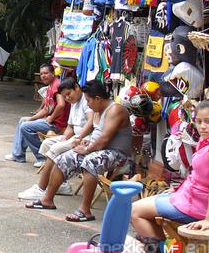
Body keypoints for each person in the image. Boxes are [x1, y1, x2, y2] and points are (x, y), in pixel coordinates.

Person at [130, 100, 209, 253]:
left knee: (135, 211)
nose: (202, 126)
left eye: (208, 121)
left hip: (198, 206)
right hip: (190, 198)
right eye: (199, 121)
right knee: (140, 209)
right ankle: (167, 252)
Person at [25, 79, 132, 222]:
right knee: (63, 158)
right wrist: (84, 142)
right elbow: (97, 136)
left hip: (118, 154)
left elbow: (105, 139)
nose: (87, 104)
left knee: (89, 162)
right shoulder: (97, 110)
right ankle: (47, 200)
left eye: (88, 100)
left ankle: (85, 210)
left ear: (98, 98)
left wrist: (87, 149)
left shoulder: (115, 109)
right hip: (99, 149)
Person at [18, 78, 93, 200]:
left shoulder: (87, 100)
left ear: (77, 87)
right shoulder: (74, 103)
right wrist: (64, 138)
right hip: (74, 136)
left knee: (55, 148)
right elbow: (70, 126)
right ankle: (62, 184)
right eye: (65, 96)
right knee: (48, 143)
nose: (67, 98)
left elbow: (91, 122)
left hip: (85, 139)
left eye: (68, 94)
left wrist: (78, 137)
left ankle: (41, 188)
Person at [5, 63, 70, 165]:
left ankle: (42, 157)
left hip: (57, 124)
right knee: (23, 120)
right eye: (41, 74)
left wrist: (51, 117)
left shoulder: (57, 86)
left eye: (46, 73)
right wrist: (32, 118)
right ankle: (18, 155)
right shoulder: (50, 86)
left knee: (25, 127)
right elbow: (46, 109)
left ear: (53, 73)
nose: (43, 76)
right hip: (50, 120)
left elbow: (61, 105)